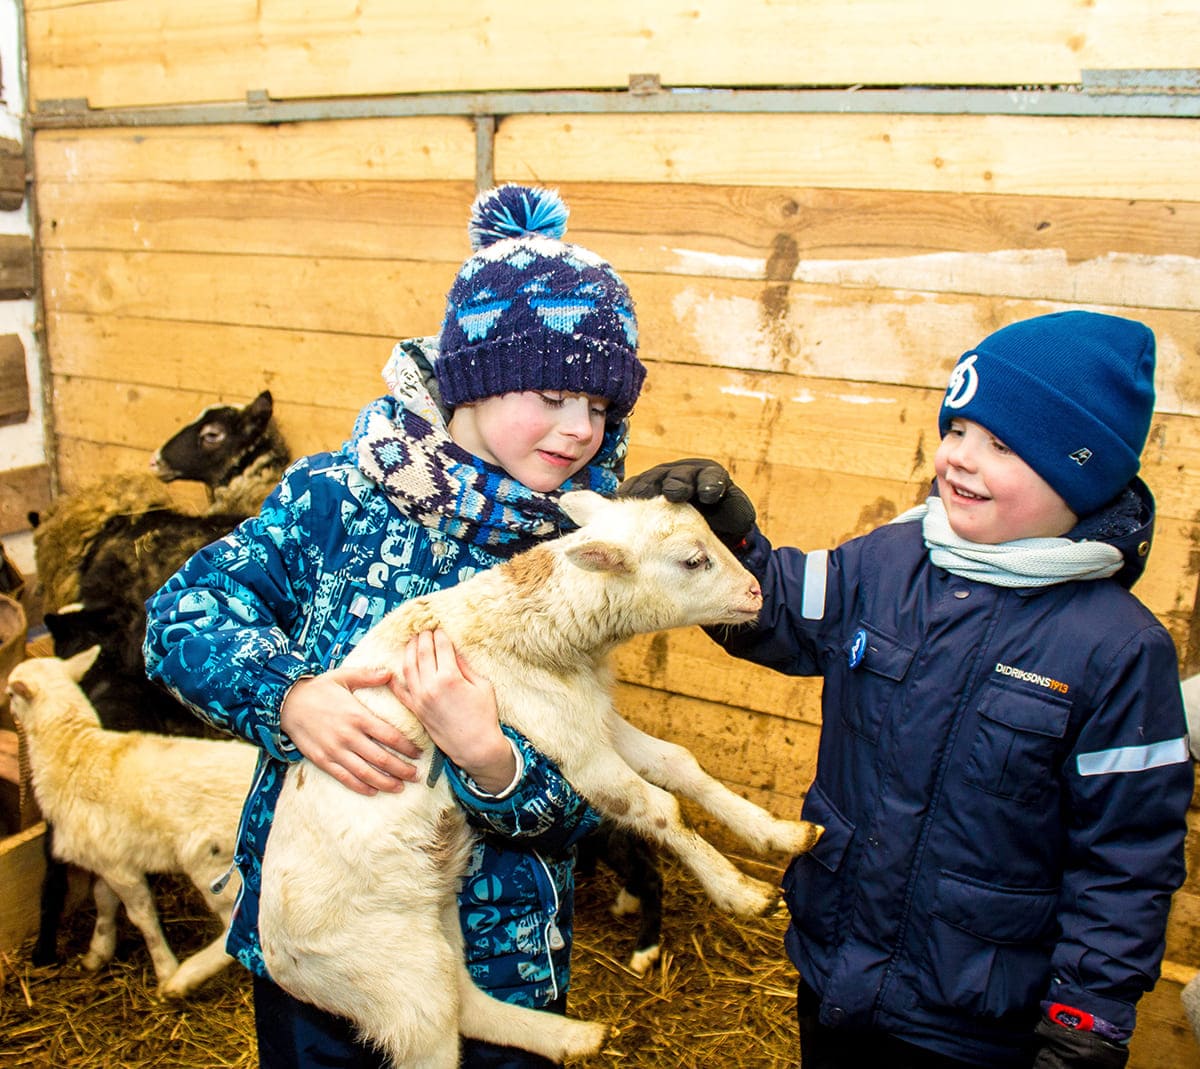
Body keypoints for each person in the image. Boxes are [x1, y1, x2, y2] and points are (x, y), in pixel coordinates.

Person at [143, 183, 645, 1068]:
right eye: (554, 394)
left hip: (497, 969)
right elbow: (181, 616)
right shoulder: (336, 500)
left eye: (601, 408)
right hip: (321, 948)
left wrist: (494, 764)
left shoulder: (586, 556)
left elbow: (582, 797)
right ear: (477, 377)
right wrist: (289, 697)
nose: (579, 430)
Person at [619, 311, 1193, 1069]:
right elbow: (780, 613)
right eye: (957, 430)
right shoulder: (893, 558)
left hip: (976, 1020)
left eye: (1002, 444)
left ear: (1077, 470)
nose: (960, 458)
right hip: (832, 971)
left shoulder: (1119, 650)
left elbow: (1126, 857)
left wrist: (1085, 1018)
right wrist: (725, 542)